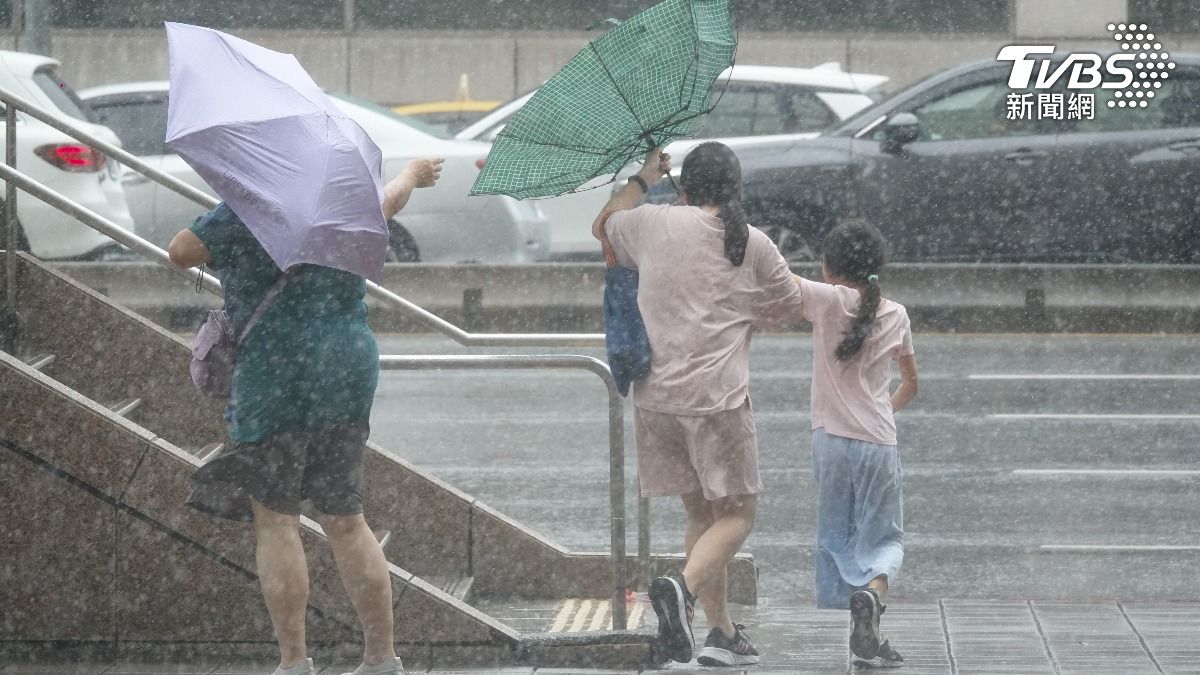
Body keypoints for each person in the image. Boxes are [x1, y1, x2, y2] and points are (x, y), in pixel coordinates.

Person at [168, 158, 444, 675]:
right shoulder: (340, 199)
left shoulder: (248, 206)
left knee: (276, 521)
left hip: (277, 372)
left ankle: (294, 661)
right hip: (345, 367)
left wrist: (235, 208)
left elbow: (180, 252)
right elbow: (389, 201)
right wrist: (411, 174)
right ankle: (382, 658)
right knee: (345, 516)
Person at [592, 142, 805, 666]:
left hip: (656, 401)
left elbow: (604, 225)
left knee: (701, 513)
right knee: (737, 516)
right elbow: (789, 306)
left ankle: (720, 633)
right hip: (717, 402)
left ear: (684, 190)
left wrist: (644, 177)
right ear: (736, 190)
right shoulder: (753, 244)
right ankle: (681, 591)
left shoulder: (651, 223)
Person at [799, 220, 919, 668]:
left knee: (835, 536)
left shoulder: (824, 299)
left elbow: (775, 277)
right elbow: (910, 383)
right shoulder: (897, 314)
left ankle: (860, 620)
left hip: (828, 443)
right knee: (884, 538)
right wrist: (881, 411)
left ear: (828, 267)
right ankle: (871, 596)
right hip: (877, 443)